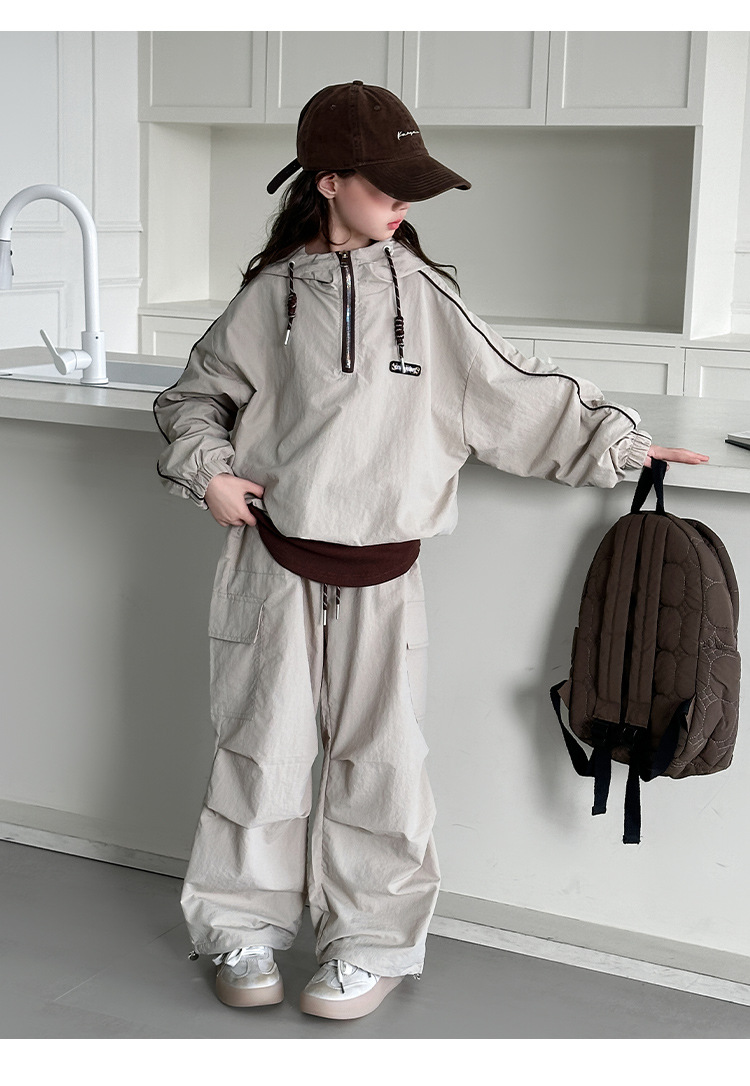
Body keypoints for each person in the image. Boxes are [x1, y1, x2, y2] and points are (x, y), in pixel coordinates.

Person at [152, 80, 708, 1022]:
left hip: (384, 573)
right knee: (259, 749)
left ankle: (368, 943)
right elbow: (193, 396)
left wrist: (620, 443)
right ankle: (240, 926)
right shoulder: (269, 296)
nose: (404, 202)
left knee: (382, 763)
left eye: (412, 187)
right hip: (270, 564)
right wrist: (207, 471)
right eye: (387, 183)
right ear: (328, 181)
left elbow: (515, 392)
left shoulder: (427, 296)